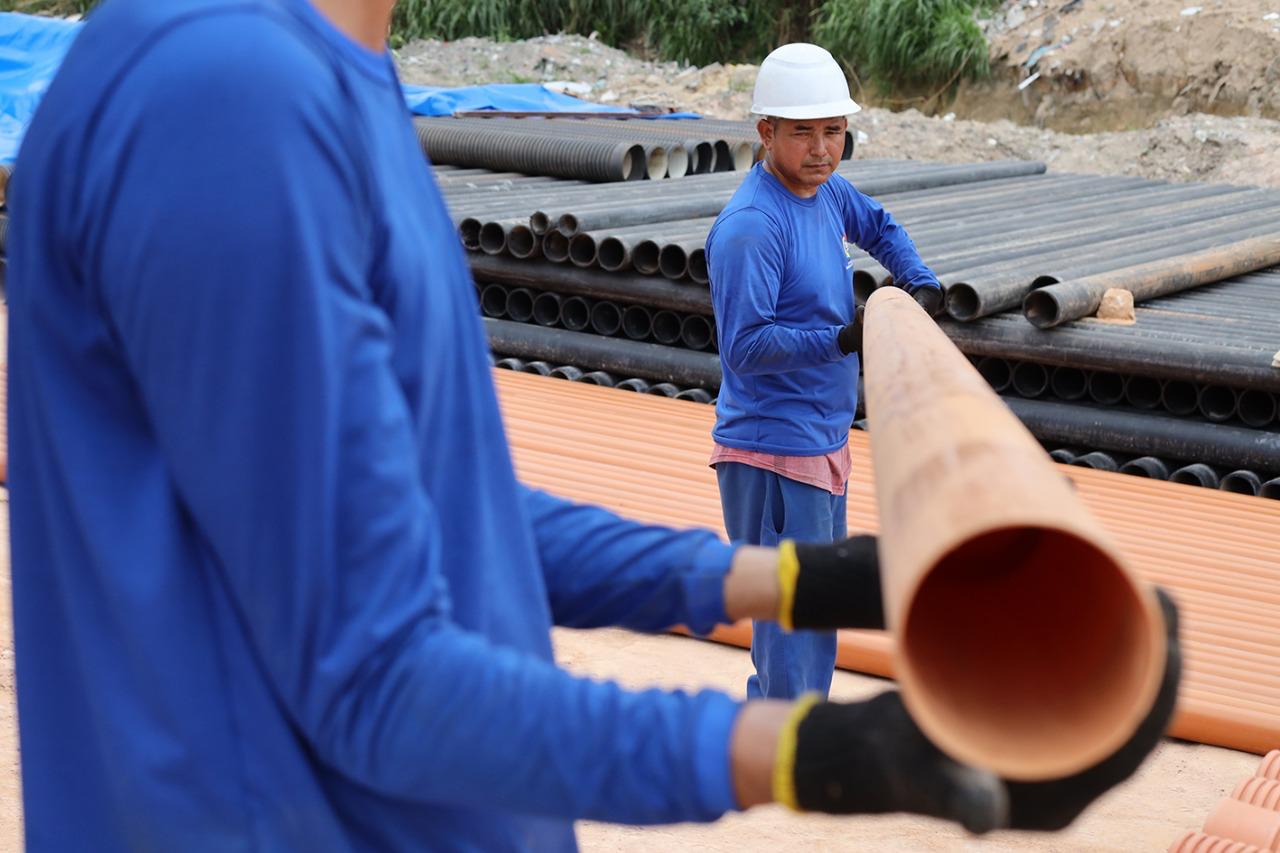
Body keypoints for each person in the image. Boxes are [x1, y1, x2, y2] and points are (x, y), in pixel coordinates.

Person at [7, 2, 1179, 849]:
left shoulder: (325, 77)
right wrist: (817, 757)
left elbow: (436, 516)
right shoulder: (226, 101)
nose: (822, 146)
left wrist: (796, 581)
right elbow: (375, 680)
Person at [706, 42, 946, 701]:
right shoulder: (753, 227)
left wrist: (921, 282)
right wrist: (844, 337)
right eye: (803, 132)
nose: (821, 148)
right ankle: (783, 736)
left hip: (821, 436)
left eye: (834, 131)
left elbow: (881, 224)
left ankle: (794, 727)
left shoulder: (826, 191)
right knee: (793, 611)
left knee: (815, 605)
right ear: (766, 132)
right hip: (772, 449)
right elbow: (746, 347)